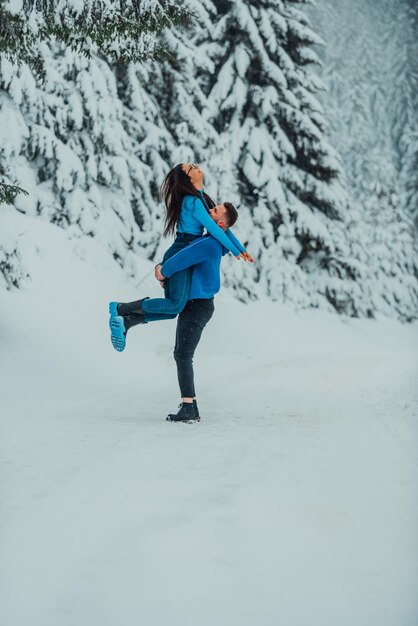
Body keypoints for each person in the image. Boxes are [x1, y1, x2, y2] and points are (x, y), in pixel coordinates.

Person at [112, 202, 240, 422]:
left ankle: (189, 407)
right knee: (177, 334)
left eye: (214, 210)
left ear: (219, 223)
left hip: (198, 306)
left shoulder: (209, 243)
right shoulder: (217, 241)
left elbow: (182, 259)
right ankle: (128, 321)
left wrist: (162, 272)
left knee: (182, 355)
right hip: (197, 304)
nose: (209, 211)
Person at [108, 163, 253, 351]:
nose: (196, 166)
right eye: (191, 168)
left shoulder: (202, 198)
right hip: (182, 249)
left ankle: (126, 322)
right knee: (175, 306)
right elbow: (215, 229)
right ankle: (121, 309)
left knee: (172, 309)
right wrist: (234, 251)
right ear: (189, 179)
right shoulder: (193, 201)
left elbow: (224, 228)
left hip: (188, 248)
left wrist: (241, 249)